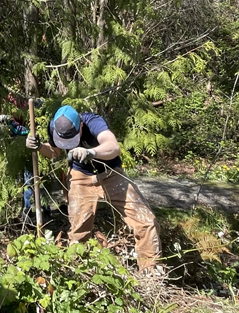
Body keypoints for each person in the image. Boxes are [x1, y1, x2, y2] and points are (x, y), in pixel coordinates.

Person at [26, 105, 162, 273]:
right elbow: (54, 151)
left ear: (80, 126)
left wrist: (91, 152)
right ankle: (78, 273)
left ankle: (150, 272)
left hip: (111, 173)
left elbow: (113, 146)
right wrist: (39, 146)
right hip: (80, 176)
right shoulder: (54, 126)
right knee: (78, 230)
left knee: (146, 222)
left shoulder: (92, 121)